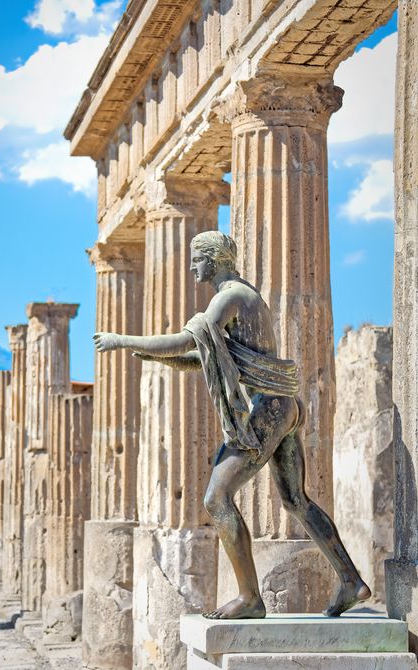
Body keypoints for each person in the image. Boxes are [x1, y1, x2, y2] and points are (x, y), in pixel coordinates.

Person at [93, 230, 370, 619]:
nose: (191, 266)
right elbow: (204, 358)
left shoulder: (229, 297)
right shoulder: (242, 295)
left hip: (268, 410)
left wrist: (121, 340)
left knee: (216, 499)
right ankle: (351, 580)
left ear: (215, 259)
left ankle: (250, 598)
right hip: (282, 405)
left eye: (196, 258)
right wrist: (154, 357)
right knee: (295, 501)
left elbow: (184, 342)